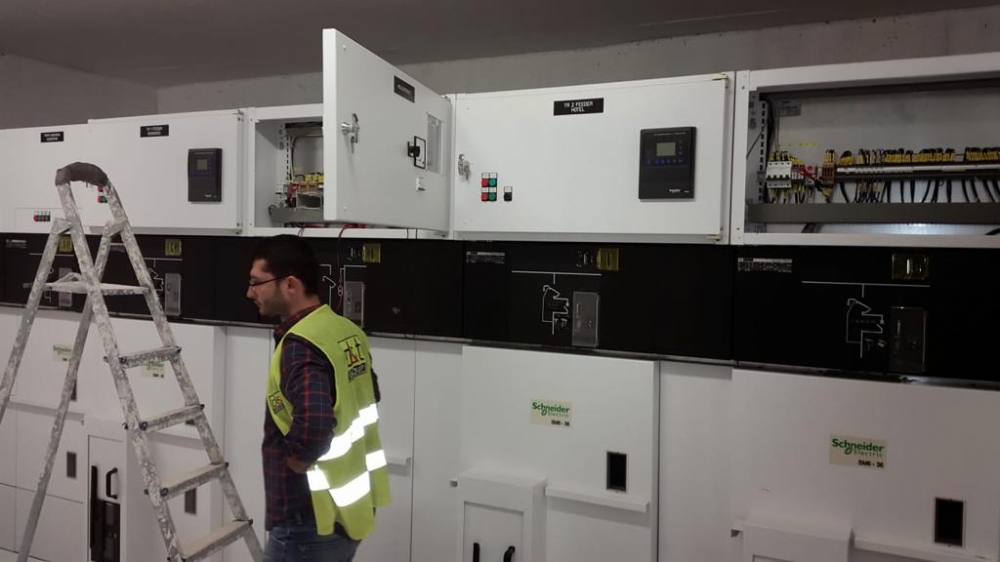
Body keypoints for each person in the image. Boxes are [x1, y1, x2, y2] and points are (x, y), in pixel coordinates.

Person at [247, 235, 389, 562]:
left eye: (256, 282)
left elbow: (314, 426)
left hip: (309, 519)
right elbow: (370, 392)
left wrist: (297, 460)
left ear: (290, 285)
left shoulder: (301, 344)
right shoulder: (344, 329)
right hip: (347, 512)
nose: (250, 293)